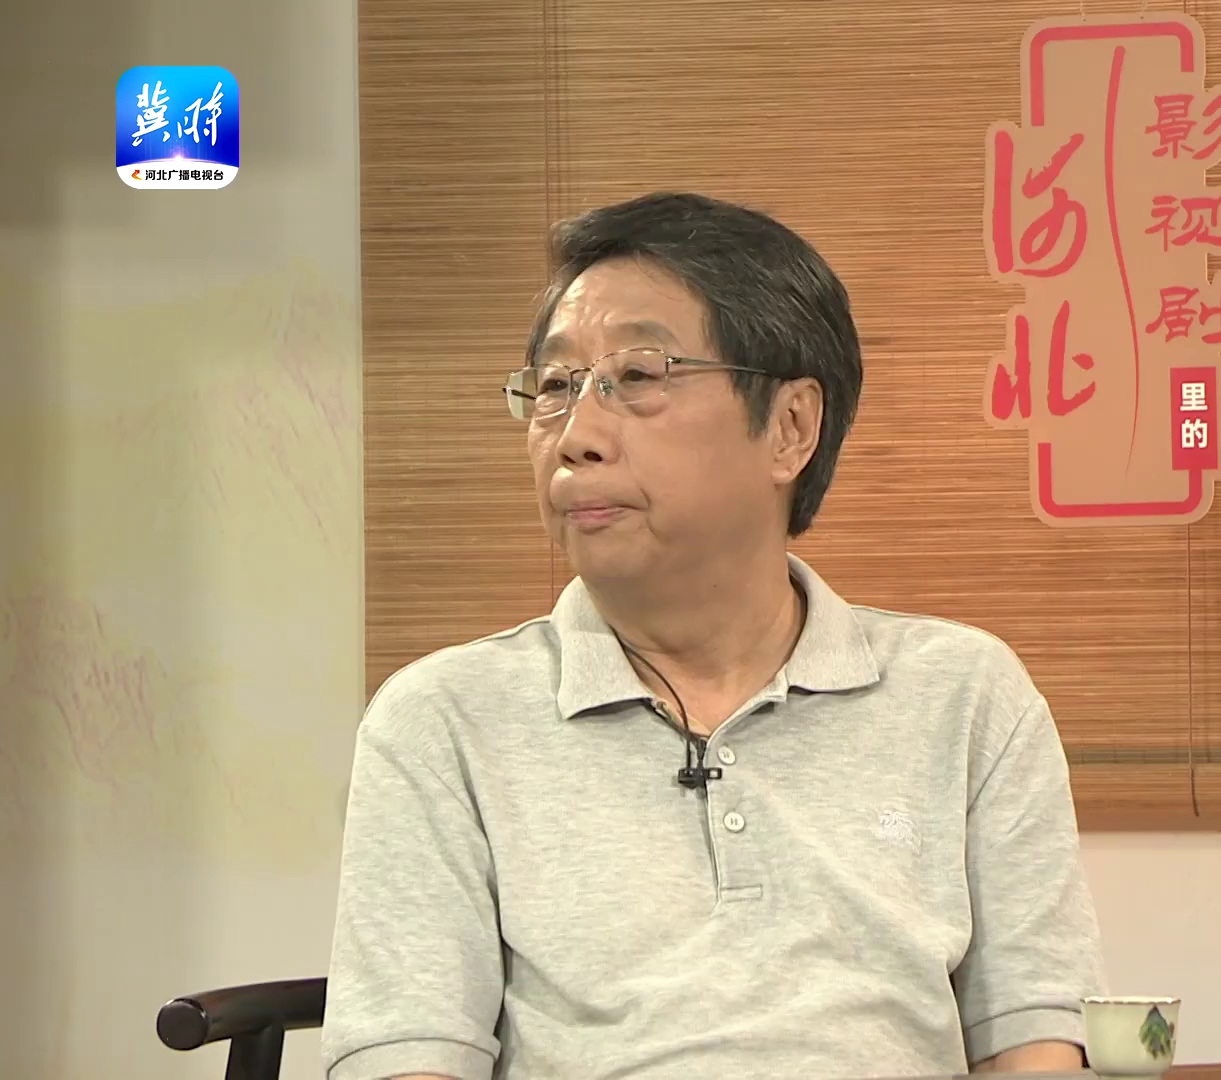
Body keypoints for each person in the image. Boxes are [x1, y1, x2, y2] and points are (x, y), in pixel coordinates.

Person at [321, 192, 1107, 1080]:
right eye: (555, 386)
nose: (576, 437)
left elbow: (1036, 1043)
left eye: (638, 376)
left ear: (790, 428)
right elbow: (410, 1059)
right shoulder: (442, 721)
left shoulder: (965, 695)